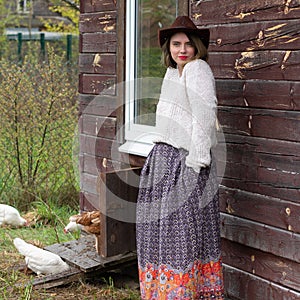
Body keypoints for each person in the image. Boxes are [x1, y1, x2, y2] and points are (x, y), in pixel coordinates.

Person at [136, 16, 225, 299]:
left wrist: (195, 165)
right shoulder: (173, 72)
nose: (182, 49)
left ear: (198, 46)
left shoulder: (198, 69)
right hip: (164, 160)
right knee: (160, 234)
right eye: (176, 44)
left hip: (185, 164)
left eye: (188, 44)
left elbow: (204, 115)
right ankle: (164, 292)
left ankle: (184, 294)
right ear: (168, 48)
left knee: (181, 236)